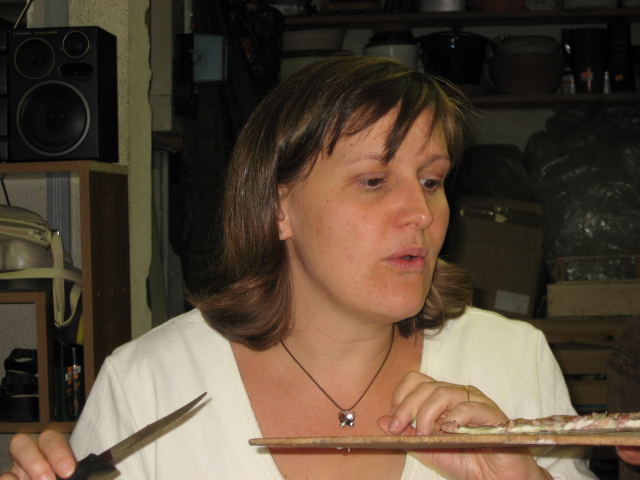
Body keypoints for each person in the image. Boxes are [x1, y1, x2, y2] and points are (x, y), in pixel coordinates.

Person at [2, 54, 596, 479]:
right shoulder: (149, 384)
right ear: (278, 208)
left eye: (432, 181)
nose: (421, 213)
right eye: (373, 181)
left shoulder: (512, 361)